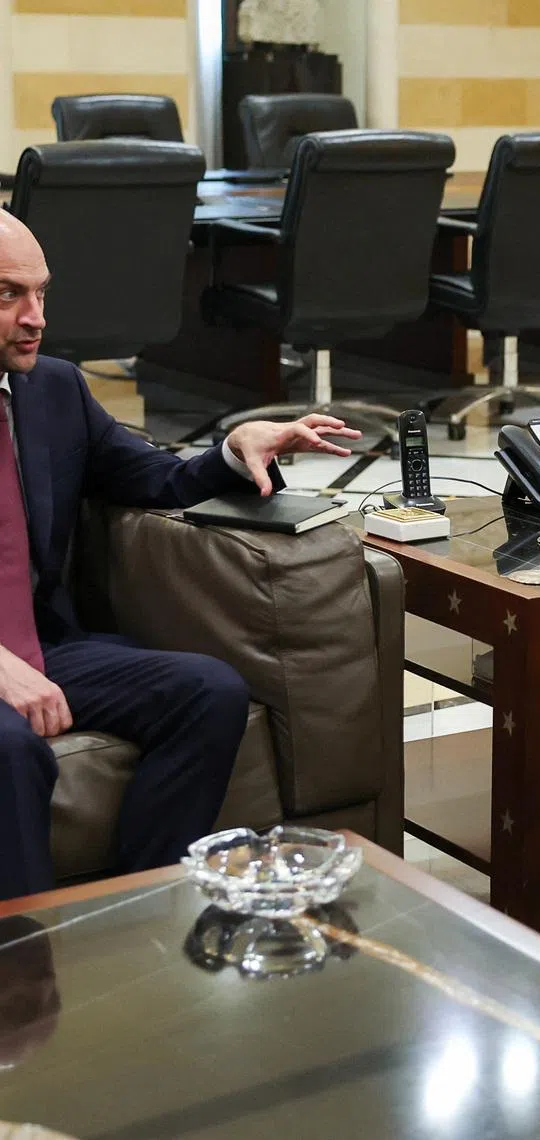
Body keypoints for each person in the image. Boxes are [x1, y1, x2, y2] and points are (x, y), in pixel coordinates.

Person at [0, 211, 361, 901]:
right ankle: (27, 970)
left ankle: (134, 912)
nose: (35, 317)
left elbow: (154, 478)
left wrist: (236, 446)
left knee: (209, 692)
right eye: (8, 294)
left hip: (44, 641)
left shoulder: (55, 390)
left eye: (42, 293)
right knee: (11, 750)